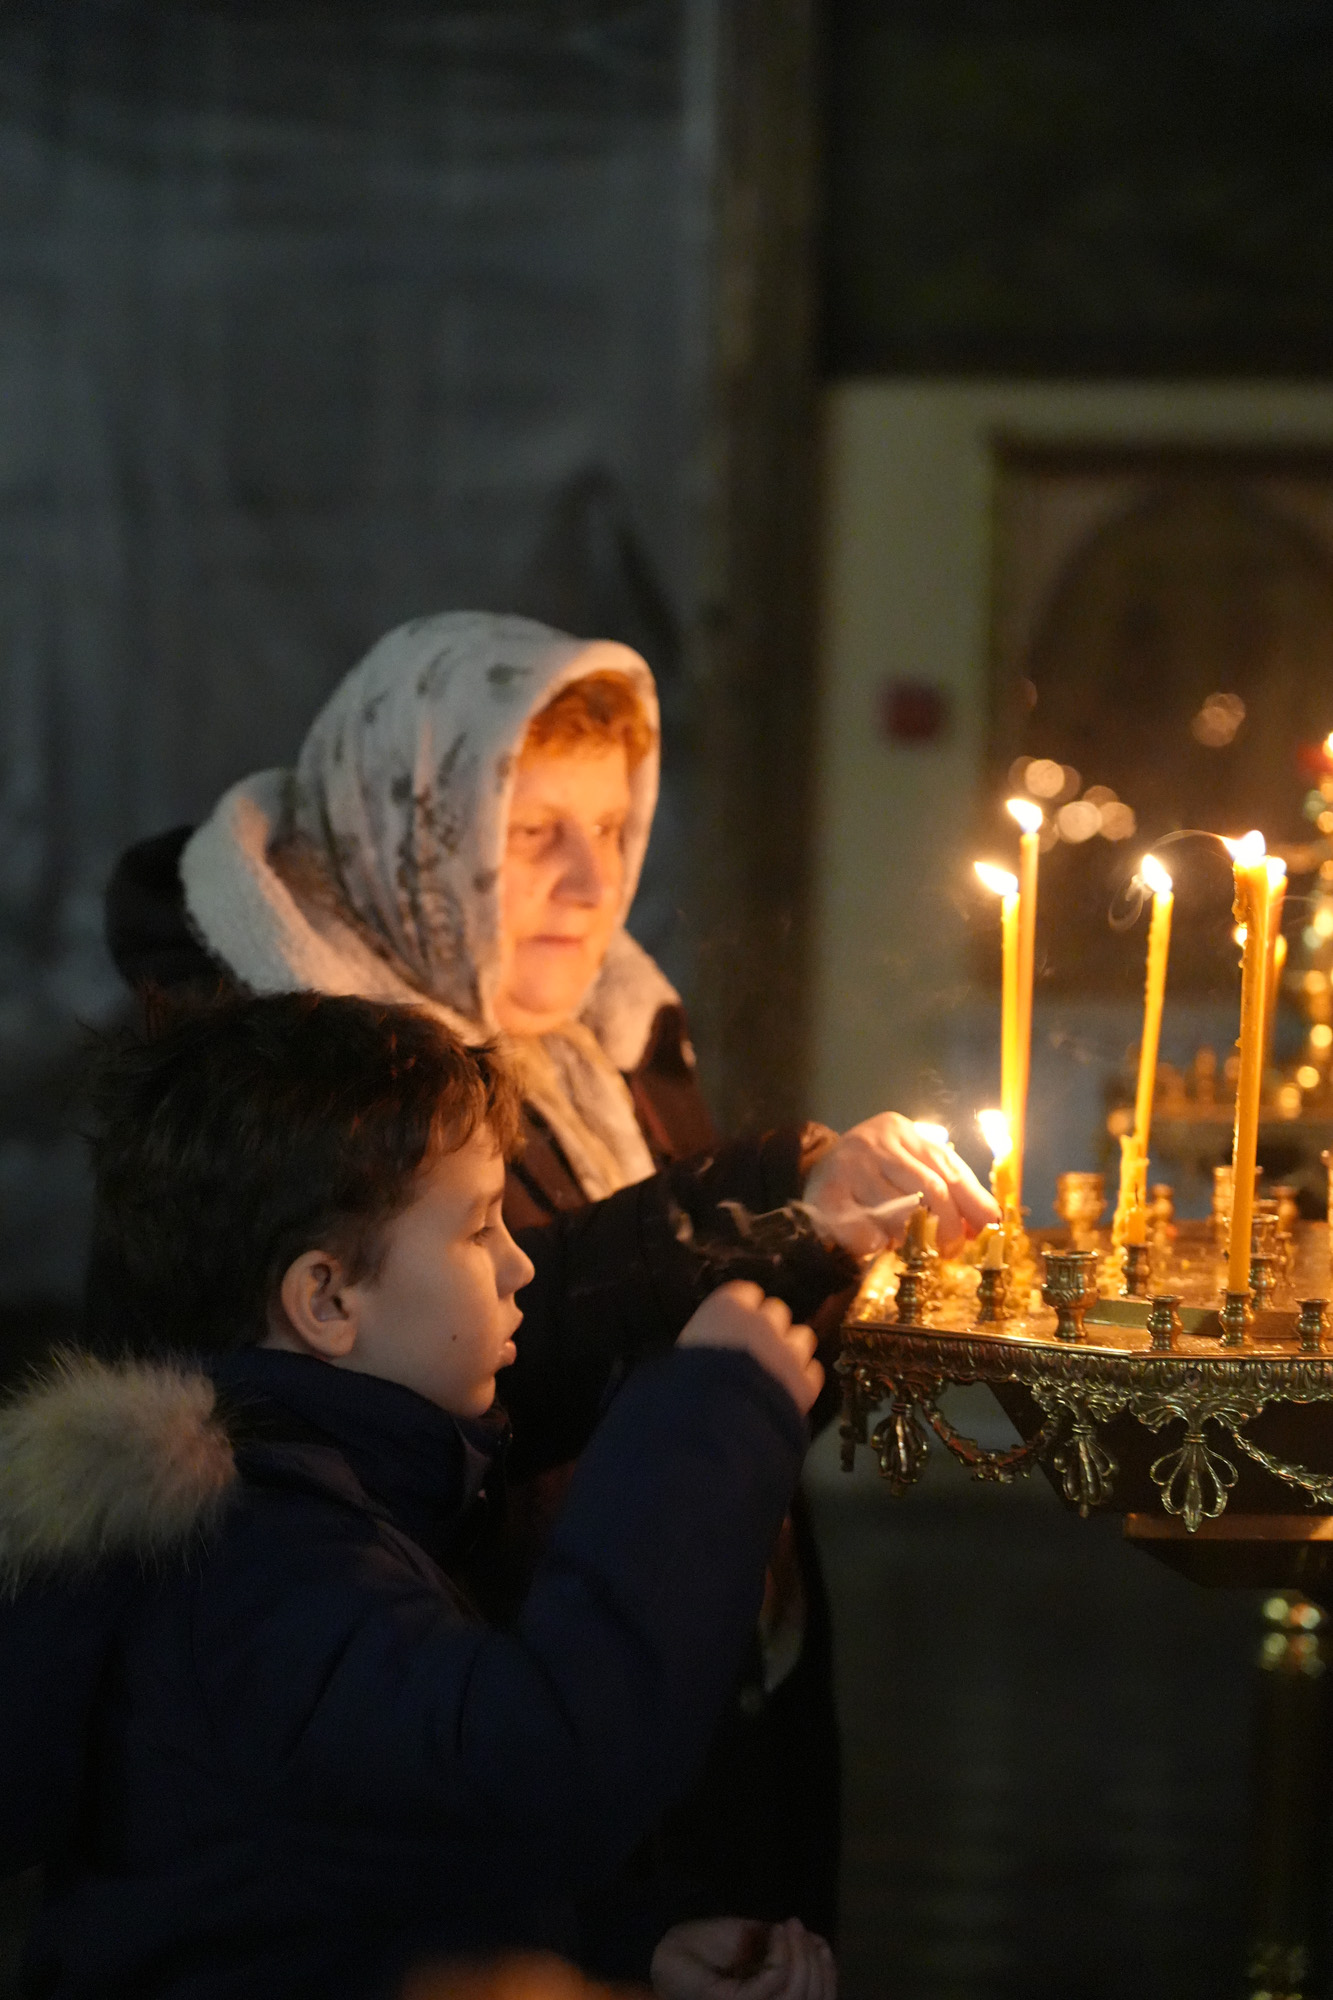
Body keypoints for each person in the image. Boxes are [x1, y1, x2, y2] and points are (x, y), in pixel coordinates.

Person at [99, 611, 998, 1940]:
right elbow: (501, 1389)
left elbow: (671, 1340)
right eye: (532, 834)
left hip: (689, 1698)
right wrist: (754, 1268)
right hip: (504, 1722)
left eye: (614, 827)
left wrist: (810, 1216)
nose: (591, 880)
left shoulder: (607, 1039)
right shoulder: (289, 1094)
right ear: (416, 832)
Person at [1, 994, 835, 2000]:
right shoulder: (261, 1566)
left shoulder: (314, 1498)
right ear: (327, 1299)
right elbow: (531, 1772)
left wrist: (621, 1945)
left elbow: (347, 1865)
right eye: (479, 1228)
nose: (519, 1265)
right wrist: (710, 1420)